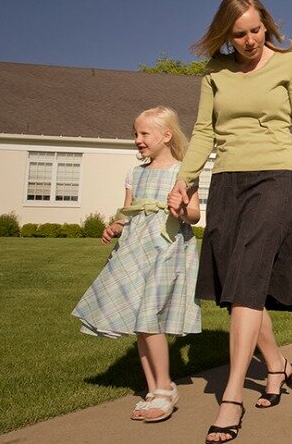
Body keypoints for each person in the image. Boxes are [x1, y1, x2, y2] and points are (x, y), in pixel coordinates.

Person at [167, 0, 292, 444]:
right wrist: (186, 179)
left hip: (275, 179)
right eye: (239, 34)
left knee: (247, 280)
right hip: (228, 184)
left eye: (256, 30)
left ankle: (232, 396)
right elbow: (202, 131)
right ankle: (275, 365)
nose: (250, 40)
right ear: (226, 35)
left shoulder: (289, 64)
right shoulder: (215, 73)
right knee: (242, 283)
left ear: (267, 26)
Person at [73, 106, 202, 423]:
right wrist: (116, 225)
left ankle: (165, 389)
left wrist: (181, 209)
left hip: (167, 249)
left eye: (144, 134)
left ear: (166, 135)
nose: (138, 140)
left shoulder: (183, 173)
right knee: (139, 324)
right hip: (134, 249)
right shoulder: (136, 173)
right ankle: (153, 388)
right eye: (136, 134)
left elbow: (195, 216)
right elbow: (128, 210)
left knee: (149, 320)